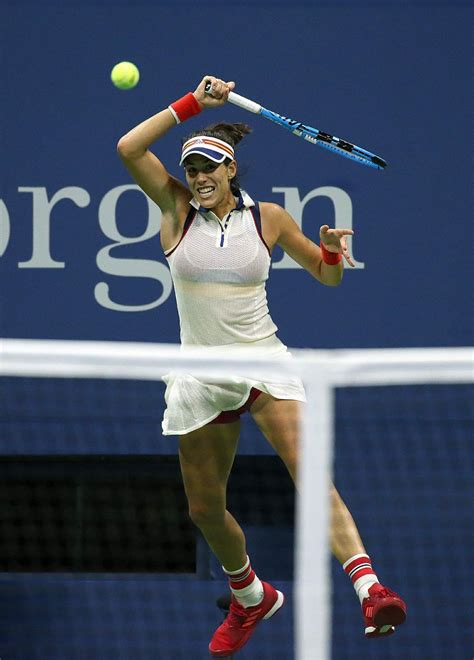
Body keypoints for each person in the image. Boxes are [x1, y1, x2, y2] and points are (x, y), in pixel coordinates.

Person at [117, 75, 407, 657]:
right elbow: (129, 147)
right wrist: (192, 104)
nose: (198, 177)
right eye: (191, 168)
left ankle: (370, 588)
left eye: (208, 168)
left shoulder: (268, 218)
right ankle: (251, 595)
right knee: (204, 509)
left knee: (309, 471)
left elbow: (328, 276)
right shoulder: (175, 211)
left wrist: (330, 251)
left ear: (230, 172)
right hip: (199, 376)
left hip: (265, 364)